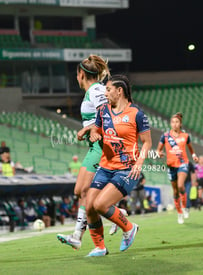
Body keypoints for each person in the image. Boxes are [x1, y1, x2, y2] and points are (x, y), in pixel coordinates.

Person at [85, 74, 152, 257]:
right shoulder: (102, 111)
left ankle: (129, 227)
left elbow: (147, 143)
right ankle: (100, 247)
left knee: (100, 204)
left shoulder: (136, 114)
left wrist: (139, 163)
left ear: (119, 91)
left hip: (127, 169)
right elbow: (96, 130)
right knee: (89, 205)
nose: (105, 93)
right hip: (105, 167)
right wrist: (93, 134)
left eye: (108, 89)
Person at [57, 54, 110, 250]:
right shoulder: (94, 91)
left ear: (81, 74)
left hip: (102, 145)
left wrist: (89, 129)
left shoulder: (96, 90)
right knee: (80, 191)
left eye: (77, 74)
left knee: (85, 193)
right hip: (95, 146)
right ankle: (78, 236)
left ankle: (115, 216)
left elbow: (108, 115)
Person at [157, 112, 198, 224]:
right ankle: (179, 213)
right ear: (170, 124)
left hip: (183, 163)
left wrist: (194, 156)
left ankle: (184, 207)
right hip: (171, 166)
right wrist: (159, 153)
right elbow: (158, 150)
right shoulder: (165, 136)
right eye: (173, 122)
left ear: (180, 124)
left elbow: (191, 149)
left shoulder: (185, 136)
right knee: (175, 191)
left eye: (177, 122)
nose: (174, 124)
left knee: (180, 185)